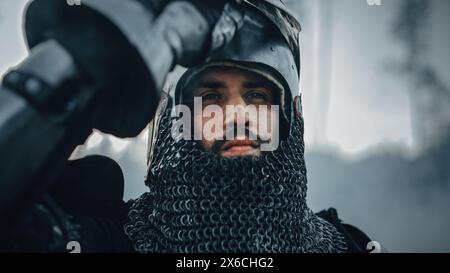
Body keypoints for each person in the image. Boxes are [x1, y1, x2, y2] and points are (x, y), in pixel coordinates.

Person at [3, 0, 372, 253]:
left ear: (289, 114)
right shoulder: (111, 240)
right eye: (210, 98)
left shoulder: (348, 246)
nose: (236, 115)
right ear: (175, 120)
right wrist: (80, 71)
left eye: (258, 96)